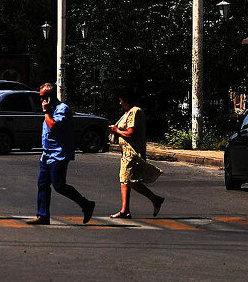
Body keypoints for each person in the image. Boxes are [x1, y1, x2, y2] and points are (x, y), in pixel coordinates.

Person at [29, 83, 95, 226]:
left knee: (59, 185)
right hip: (47, 154)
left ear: (49, 97)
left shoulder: (62, 109)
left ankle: (86, 204)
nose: (40, 101)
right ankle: (43, 215)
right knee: (42, 184)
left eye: (42, 97)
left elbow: (52, 126)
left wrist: (46, 112)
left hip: (59, 154)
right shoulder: (50, 109)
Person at [107, 89, 164, 218]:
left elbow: (130, 132)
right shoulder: (128, 113)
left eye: (121, 100)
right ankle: (125, 210)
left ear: (127, 100)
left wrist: (117, 130)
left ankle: (154, 199)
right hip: (126, 152)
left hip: (132, 152)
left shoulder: (135, 112)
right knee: (125, 180)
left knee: (129, 180)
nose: (120, 103)